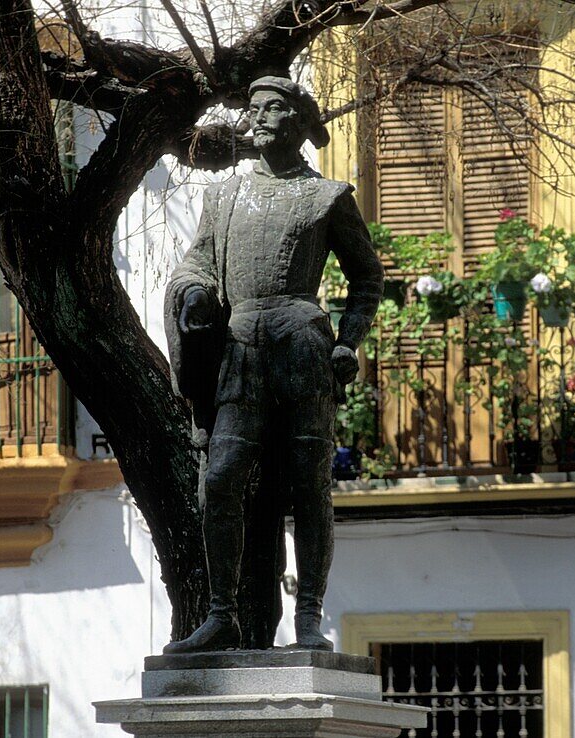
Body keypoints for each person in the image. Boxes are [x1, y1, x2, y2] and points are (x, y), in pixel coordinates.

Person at [163, 76, 383, 653]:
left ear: (301, 124)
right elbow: (197, 265)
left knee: (310, 485)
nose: (258, 118)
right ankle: (221, 614)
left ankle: (308, 617)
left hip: (303, 347)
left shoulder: (327, 197)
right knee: (221, 479)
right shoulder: (224, 198)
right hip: (240, 350)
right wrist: (192, 295)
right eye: (254, 109)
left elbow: (367, 279)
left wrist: (348, 341)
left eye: (274, 109)